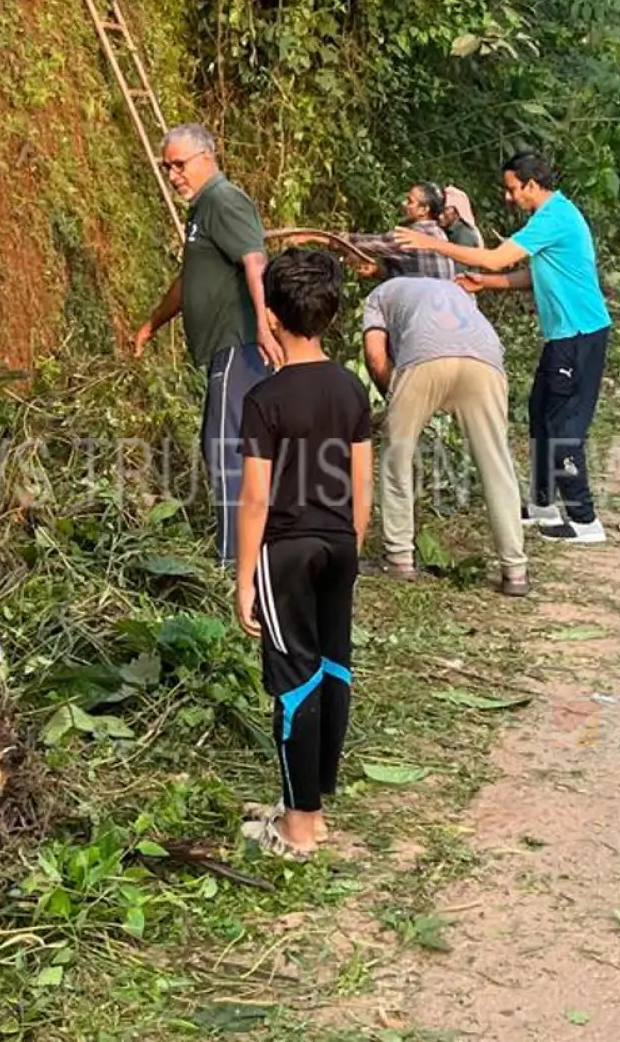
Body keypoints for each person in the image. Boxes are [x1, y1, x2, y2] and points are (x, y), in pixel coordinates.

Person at [233, 248, 372, 861]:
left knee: (293, 683)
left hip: (286, 549)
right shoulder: (350, 389)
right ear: (331, 314)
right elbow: (362, 484)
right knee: (332, 670)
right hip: (341, 540)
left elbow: (256, 498)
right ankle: (310, 803)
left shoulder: (265, 398)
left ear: (273, 317)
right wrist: (350, 546)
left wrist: (244, 579)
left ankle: (298, 828)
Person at [401, 152, 613, 543]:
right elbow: (535, 275)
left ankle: (584, 521)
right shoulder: (552, 218)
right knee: (540, 415)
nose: (509, 197)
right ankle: (542, 504)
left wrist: (429, 244)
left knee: (564, 427)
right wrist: (487, 283)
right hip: (564, 337)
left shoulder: (554, 217)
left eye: (513, 189)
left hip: (580, 336)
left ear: (533, 185)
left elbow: (497, 258)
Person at [131, 124, 281, 566]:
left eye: (180, 164)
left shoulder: (224, 199)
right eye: (167, 167)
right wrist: (152, 323)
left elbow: (255, 260)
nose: (174, 175)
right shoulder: (201, 210)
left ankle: (235, 561)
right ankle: (248, 551)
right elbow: (190, 279)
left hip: (238, 343)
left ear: (207, 157)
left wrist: (262, 323)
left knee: (225, 447)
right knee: (221, 445)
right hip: (223, 347)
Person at [360, 252, 529, 596]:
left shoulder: (380, 295)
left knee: (397, 457)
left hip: (424, 359)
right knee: (495, 462)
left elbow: (376, 357)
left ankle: (399, 558)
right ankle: (515, 570)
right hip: (485, 359)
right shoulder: (454, 289)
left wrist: (396, 401)